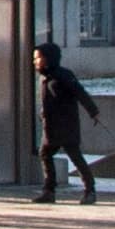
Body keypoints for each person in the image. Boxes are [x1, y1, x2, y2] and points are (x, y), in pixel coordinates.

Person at [33, 41, 99, 204]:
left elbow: (80, 93)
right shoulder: (44, 77)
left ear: (48, 58)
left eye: (38, 58)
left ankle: (89, 190)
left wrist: (93, 111)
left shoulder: (63, 75)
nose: (35, 61)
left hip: (66, 124)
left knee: (74, 155)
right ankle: (49, 190)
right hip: (51, 126)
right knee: (45, 153)